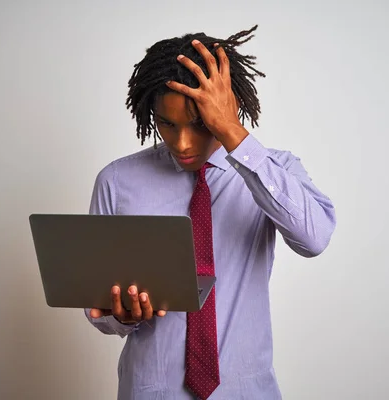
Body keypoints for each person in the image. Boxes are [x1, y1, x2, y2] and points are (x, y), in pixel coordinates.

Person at [84, 25, 336, 400]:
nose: (182, 143)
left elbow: (314, 238)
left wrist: (234, 135)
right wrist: (121, 315)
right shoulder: (118, 181)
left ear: (226, 110)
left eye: (199, 125)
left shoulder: (274, 170)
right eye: (167, 125)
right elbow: (98, 308)